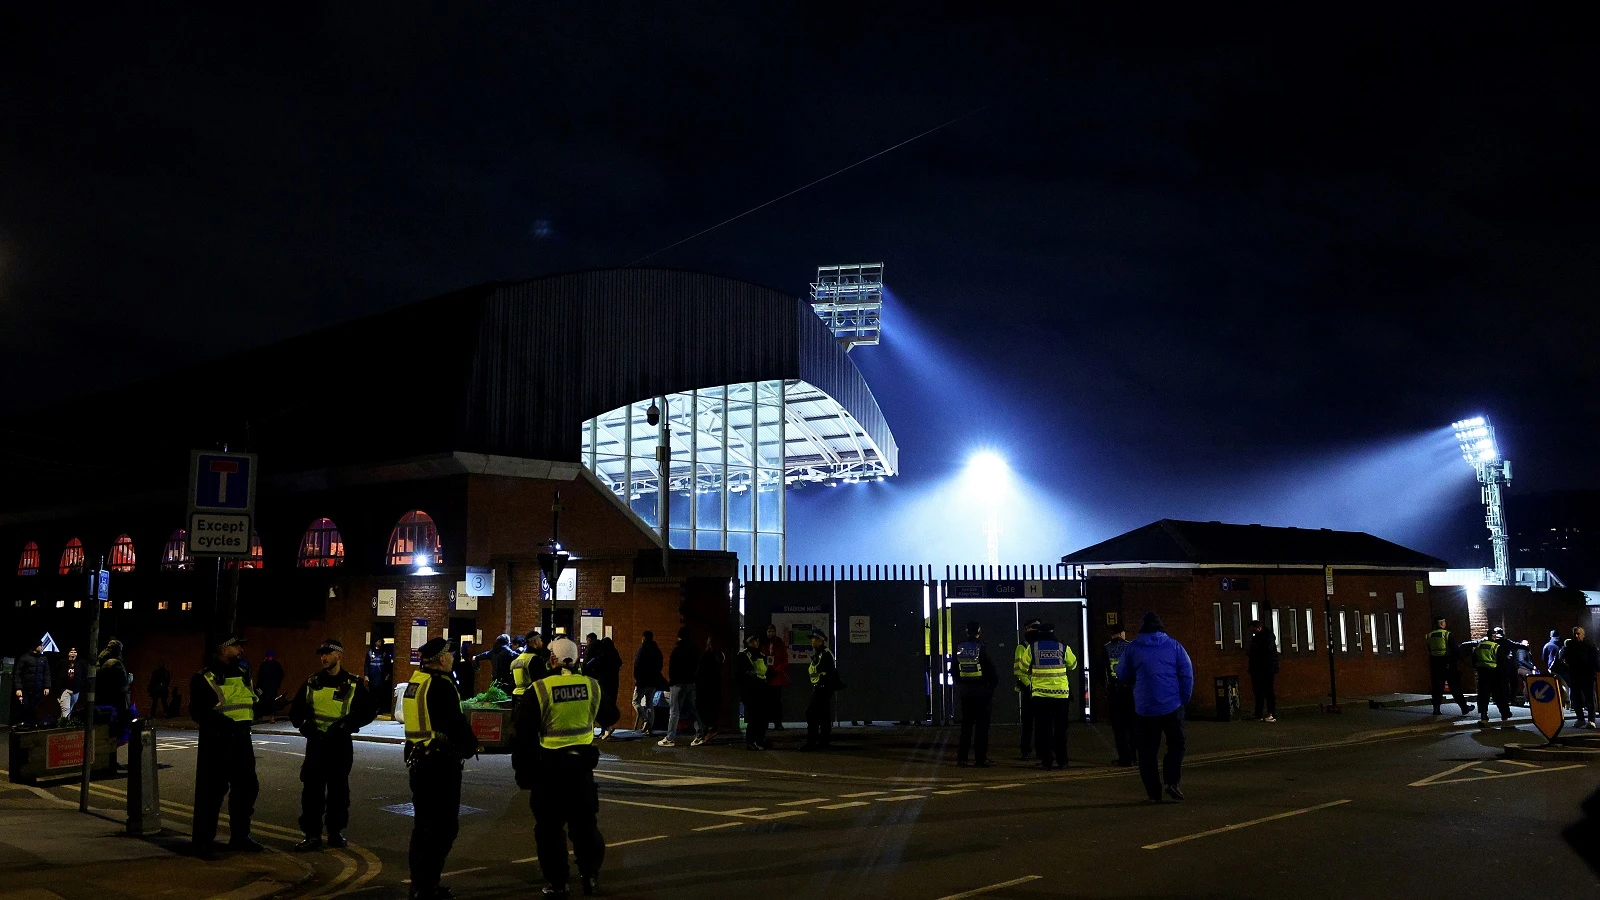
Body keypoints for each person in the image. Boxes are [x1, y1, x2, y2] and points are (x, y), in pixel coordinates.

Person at [513, 637, 607, 898]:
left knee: (550, 830)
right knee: (585, 825)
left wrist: (522, 772)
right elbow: (611, 714)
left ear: (552, 660)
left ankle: (558, 883)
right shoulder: (591, 686)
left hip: (549, 771)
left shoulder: (540, 689)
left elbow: (523, 734)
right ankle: (590, 877)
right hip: (582, 770)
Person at [403, 637, 479, 900]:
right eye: (451, 654)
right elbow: (454, 723)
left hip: (418, 759)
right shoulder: (442, 685)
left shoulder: (417, 681)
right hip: (439, 763)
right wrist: (471, 745)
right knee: (444, 826)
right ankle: (427, 885)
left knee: (423, 825)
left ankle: (419, 884)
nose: (454, 658)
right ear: (442, 659)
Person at [290, 638, 377, 852]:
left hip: (339, 744)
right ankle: (312, 835)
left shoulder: (353, 684)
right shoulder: (312, 682)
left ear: (339, 655)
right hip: (316, 744)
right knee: (312, 792)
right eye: (322, 654)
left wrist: (348, 725)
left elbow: (369, 711)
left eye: (328, 654)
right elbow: (296, 711)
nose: (323, 658)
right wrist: (305, 726)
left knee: (338, 793)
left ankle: (335, 832)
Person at [189, 634, 264, 856]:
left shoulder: (242, 673)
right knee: (212, 793)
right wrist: (225, 724)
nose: (240, 650)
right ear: (223, 649)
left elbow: (250, 702)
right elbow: (198, 711)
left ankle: (240, 837)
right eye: (236, 646)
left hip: (242, 739)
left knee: (246, 788)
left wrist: (268, 705)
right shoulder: (204, 677)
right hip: (218, 741)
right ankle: (203, 842)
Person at [1118, 612, 1194, 803]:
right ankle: (1171, 781)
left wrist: (1134, 682)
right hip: (1172, 705)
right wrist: (1184, 698)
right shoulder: (1174, 646)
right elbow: (1187, 674)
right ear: (1161, 627)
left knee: (1146, 753)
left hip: (1145, 708)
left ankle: (1154, 794)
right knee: (1176, 745)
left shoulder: (1132, 648)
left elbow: (1122, 673)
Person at [1021, 622, 1076, 770]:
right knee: (1061, 729)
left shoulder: (1032, 648)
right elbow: (1073, 665)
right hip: (1061, 696)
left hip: (1040, 695)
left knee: (1043, 729)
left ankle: (1047, 761)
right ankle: (1062, 761)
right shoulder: (1062, 647)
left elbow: (1023, 667)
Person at [953, 622, 998, 767]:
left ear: (967, 632)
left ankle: (962, 759)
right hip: (982, 693)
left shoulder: (960, 648)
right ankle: (980, 758)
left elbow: (954, 670)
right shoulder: (981, 648)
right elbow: (991, 670)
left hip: (966, 693)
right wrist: (990, 687)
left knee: (966, 726)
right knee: (981, 727)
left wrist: (962, 684)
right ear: (979, 632)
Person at [660, 628, 704, 748]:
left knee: (674, 711)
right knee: (693, 709)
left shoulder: (677, 650)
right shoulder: (695, 650)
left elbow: (672, 668)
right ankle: (700, 733)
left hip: (678, 683)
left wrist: (671, 682)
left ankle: (670, 738)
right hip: (691, 683)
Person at [97, 639, 133, 770]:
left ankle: (107, 761)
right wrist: (130, 678)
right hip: (116, 701)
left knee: (107, 732)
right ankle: (111, 762)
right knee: (116, 732)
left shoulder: (100, 661)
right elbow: (123, 683)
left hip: (103, 700)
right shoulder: (115, 663)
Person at [800, 631, 839, 751]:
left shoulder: (825, 654)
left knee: (810, 713)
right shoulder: (819, 653)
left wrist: (822, 684)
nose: (812, 641)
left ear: (820, 640)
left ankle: (811, 742)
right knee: (823, 715)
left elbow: (828, 672)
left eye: (814, 639)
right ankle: (824, 742)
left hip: (822, 688)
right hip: (821, 688)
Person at [1425, 618, 1472, 717]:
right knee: (1455, 687)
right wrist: (1463, 660)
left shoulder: (1429, 635)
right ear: (1442, 624)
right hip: (1448, 664)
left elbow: (1429, 650)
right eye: (1444, 622)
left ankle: (1436, 709)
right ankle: (1464, 708)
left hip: (1435, 665)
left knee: (1437, 687)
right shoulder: (1447, 634)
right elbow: (1455, 650)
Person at [1104, 625, 1136, 767]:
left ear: (1111, 635)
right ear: (1122, 633)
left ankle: (1124, 758)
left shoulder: (1106, 648)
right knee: (1132, 725)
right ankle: (1134, 756)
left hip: (1115, 692)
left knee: (1119, 728)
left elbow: (1101, 671)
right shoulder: (1131, 647)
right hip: (1131, 691)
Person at [734, 634, 770, 750]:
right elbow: (739, 674)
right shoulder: (743, 656)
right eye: (753, 641)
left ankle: (760, 739)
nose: (755, 643)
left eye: (757, 641)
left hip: (762, 689)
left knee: (762, 716)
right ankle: (751, 741)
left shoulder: (761, 655)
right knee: (754, 716)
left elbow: (765, 671)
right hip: (750, 691)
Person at [582, 636, 622, 740]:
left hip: (603, 683)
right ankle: (606, 729)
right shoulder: (615, 654)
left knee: (600, 707)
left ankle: (606, 727)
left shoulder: (602, 655)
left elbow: (589, 666)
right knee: (610, 705)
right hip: (614, 683)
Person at [1474, 626, 1515, 724]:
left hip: (1482, 673)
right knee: (1499, 695)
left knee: (1483, 695)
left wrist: (1478, 668)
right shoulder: (1496, 646)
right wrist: (1504, 674)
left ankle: (1483, 714)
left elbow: (1474, 660)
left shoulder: (1479, 646)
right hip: (1495, 673)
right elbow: (1501, 662)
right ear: (1493, 636)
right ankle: (1505, 713)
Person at [1013, 619, 1041, 760]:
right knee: (1028, 723)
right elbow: (1018, 670)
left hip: (1040, 689)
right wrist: (1030, 685)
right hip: (1029, 689)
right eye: (1033, 628)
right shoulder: (1022, 647)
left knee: (1040, 723)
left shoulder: (1040, 645)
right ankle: (1025, 751)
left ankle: (1040, 751)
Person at [1561, 627, 1599, 729]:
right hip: (1575, 675)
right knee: (1576, 698)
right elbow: (1563, 657)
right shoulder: (1570, 645)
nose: (1576, 636)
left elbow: (1595, 659)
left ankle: (1591, 720)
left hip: (1586, 675)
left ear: (1583, 635)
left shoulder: (1589, 645)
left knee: (1589, 699)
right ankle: (1581, 719)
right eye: (1575, 634)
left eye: (1578, 634)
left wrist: (1594, 672)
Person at [631, 631, 664, 735]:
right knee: (650, 703)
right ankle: (650, 727)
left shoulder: (642, 650)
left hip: (642, 681)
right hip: (653, 681)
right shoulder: (657, 650)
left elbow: (637, 665)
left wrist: (637, 678)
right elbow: (660, 665)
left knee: (635, 701)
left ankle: (646, 720)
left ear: (644, 638)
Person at [694, 635, 725, 746]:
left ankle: (703, 734)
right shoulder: (720, 656)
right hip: (715, 688)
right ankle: (710, 732)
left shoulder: (706, 656)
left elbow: (700, 674)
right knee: (711, 712)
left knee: (701, 713)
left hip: (704, 689)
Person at [13, 638, 50, 727]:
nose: (42, 647)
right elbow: (18, 674)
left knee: (35, 707)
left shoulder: (43, 658)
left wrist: (47, 686)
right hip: (26, 688)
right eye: (40, 645)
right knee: (25, 707)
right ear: (36, 646)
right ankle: (25, 723)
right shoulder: (24, 658)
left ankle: (34, 725)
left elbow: (47, 673)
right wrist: (18, 688)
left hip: (38, 688)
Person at [759, 624, 790, 730]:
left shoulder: (780, 643)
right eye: (769, 631)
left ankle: (778, 723)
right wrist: (765, 670)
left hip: (776, 677)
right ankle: (764, 723)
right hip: (765, 676)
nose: (770, 633)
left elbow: (785, 660)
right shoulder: (762, 643)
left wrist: (777, 670)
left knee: (777, 702)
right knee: (765, 702)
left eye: (772, 631)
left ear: (775, 632)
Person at [1247, 620, 1279, 722]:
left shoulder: (1267, 636)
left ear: (1258, 628)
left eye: (1253, 629)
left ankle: (1271, 713)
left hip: (1265, 668)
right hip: (1261, 668)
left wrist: (1253, 654)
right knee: (1259, 692)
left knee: (1267, 691)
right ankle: (1259, 714)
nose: (1252, 632)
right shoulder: (1262, 636)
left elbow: (1266, 651)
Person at [512, 631, 549, 703]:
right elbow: (540, 680)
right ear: (536, 642)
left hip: (516, 695)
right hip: (530, 696)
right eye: (540, 640)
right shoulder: (534, 659)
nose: (542, 643)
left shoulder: (517, 659)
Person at [57, 647, 88, 722]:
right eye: (71, 652)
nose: (73, 654)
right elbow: (58, 675)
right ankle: (65, 725)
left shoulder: (81, 663)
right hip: (65, 690)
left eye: (74, 652)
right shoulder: (63, 662)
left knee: (70, 709)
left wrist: (81, 685)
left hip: (76, 690)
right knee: (66, 709)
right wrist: (60, 690)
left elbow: (85, 675)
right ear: (68, 653)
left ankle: (62, 724)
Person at [255, 650, 285, 722]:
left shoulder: (266, 664)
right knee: (266, 701)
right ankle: (267, 716)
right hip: (268, 686)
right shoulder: (271, 664)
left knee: (268, 701)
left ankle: (268, 716)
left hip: (269, 686)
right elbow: (260, 676)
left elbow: (260, 676)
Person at [366, 639, 394, 710]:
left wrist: (387, 674)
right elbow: (366, 664)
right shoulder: (370, 652)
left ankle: (379, 708)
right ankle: (372, 708)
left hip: (381, 676)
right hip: (372, 676)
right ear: (375, 642)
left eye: (381, 641)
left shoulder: (384, 653)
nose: (380, 643)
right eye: (378, 641)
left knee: (380, 693)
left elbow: (388, 664)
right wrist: (366, 675)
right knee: (372, 693)